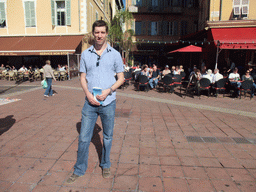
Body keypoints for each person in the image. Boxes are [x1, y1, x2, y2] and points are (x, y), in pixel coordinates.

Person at [66, 20, 124, 184]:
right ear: (93, 33)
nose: (99, 35)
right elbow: (83, 78)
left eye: (102, 32)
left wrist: (108, 91)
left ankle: (105, 164)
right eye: (96, 32)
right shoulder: (85, 54)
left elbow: (121, 78)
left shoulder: (114, 54)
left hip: (109, 102)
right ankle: (79, 169)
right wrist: (87, 94)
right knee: (84, 138)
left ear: (106, 34)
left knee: (107, 137)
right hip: (89, 103)